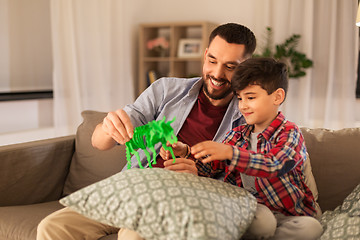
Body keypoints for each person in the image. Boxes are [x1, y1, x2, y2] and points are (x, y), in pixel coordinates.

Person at [36, 22, 257, 240]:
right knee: (53, 226)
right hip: (131, 188)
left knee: (134, 235)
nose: (217, 74)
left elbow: (245, 190)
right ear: (206, 53)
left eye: (231, 67)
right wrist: (108, 126)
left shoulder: (250, 119)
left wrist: (201, 180)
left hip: (179, 200)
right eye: (212, 60)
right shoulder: (166, 90)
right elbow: (99, 142)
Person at [190, 57, 323, 240]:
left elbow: (276, 164)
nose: (243, 106)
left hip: (287, 214)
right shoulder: (236, 135)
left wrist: (231, 153)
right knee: (263, 222)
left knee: (312, 227)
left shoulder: (289, 132)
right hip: (250, 209)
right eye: (239, 98)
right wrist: (186, 154)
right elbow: (209, 169)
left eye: (250, 97)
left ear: (277, 97)